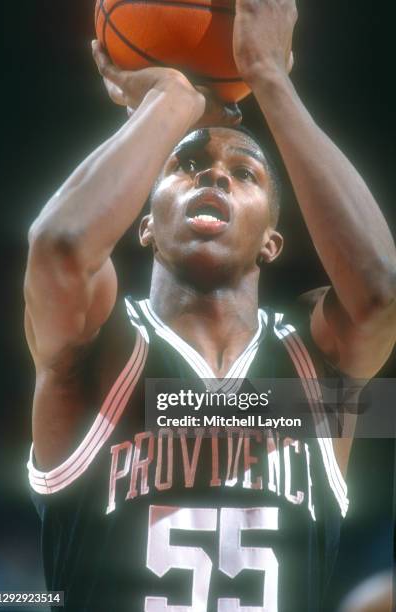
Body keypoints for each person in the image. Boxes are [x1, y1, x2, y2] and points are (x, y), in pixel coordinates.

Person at [24, 0, 396, 610]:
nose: (214, 178)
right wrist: (171, 98)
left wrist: (268, 75)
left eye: (245, 172)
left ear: (272, 242)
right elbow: (59, 246)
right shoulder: (102, 353)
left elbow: (381, 292)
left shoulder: (311, 371)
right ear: (144, 226)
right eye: (188, 164)